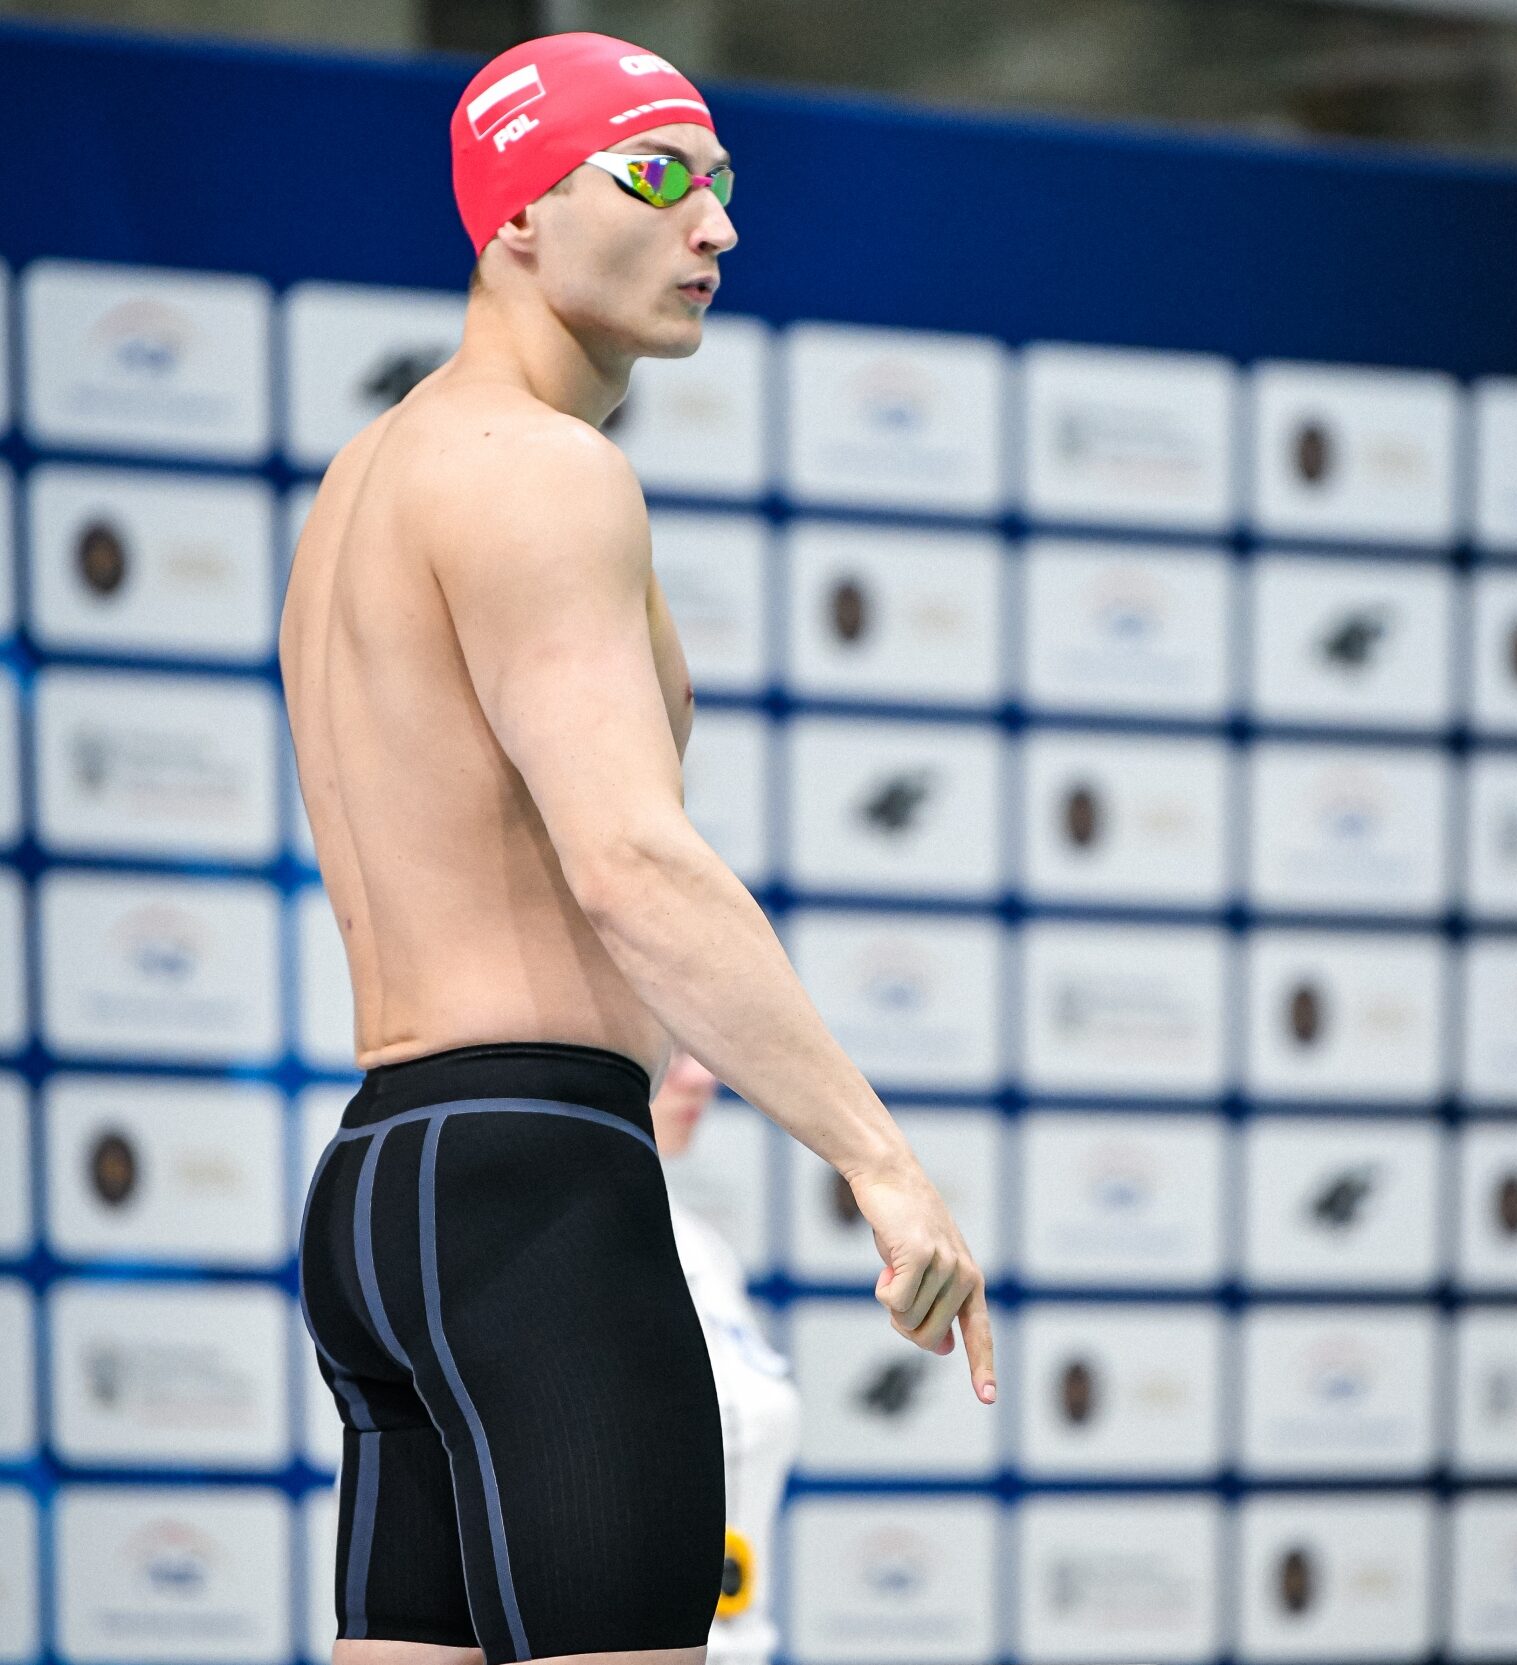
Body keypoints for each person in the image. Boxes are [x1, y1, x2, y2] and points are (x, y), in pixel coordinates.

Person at [280, 30, 996, 1665]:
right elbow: (632, 863)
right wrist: (879, 1161)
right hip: (533, 1188)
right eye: (658, 174)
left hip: (386, 1185)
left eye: (723, 184)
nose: (716, 225)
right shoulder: (542, 473)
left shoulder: (360, 486)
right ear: (517, 214)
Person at [650, 1052, 800, 1665]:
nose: (701, 1076)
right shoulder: (531, 1247)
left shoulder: (703, 1249)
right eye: (670, 1043)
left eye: (700, 1048)